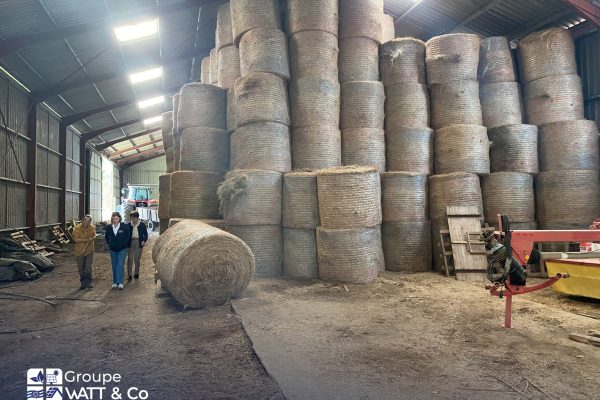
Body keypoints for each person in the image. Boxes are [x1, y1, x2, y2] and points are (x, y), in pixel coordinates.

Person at [105, 212, 130, 290]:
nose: (115, 220)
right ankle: (115, 282)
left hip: (122, 249)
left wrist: (124, 243)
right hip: (113, 249)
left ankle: (120, 282)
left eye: (116, 218)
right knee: (114, 265)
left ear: (119, 219)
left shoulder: (124, 227)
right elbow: (106, 236)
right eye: (114, 219)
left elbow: (128, 236)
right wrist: (110, 243)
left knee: (120, 265)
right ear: (112, 219)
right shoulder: (109, 227)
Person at [72, 215, 96, 290]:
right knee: (80, 268)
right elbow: (76, 239)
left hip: (89, 250)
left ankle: (88, 282)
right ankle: (83, 282)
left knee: (88, 267)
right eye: (85, 220)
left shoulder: (92, 227)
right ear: (82, 220)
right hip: (79, 251)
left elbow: (91, 239)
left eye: (89, 221)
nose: (87, 222)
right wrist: (86, 240)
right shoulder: (77, 228)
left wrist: (85, 246)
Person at [126, 211, 148, 281]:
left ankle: (136, 273)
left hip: (139, 242)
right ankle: (129, 274)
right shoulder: (128, 225)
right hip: (130, 242)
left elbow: (146, 234)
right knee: (130, 258)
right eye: (132, 218)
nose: (133, 219)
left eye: (135, 218)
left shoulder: (142, 224)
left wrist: (144, 240)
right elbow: (125, 235)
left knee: (137, 259)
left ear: (137, 218)